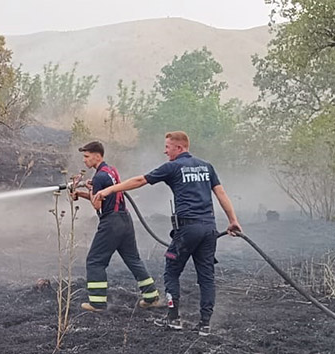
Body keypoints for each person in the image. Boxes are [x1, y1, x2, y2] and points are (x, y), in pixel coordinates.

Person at [92, 132, 242, 336]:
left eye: (168, 147)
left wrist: (108, 190)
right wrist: (233, 221)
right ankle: (205, 325)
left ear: (179, 148)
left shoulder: (173, 166)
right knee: (206, 277)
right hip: (209, 228)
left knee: (171, 272)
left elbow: (139, 180)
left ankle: (173, 319)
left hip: (187, 229)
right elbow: (221, 193)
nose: (165, 150)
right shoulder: (206, 166)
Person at [69, 141, 163, 313]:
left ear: (97, 156)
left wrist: (88, 191)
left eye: (86, 156)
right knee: (133, 259)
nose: (84, 160)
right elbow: (104, 197)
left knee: (95, 261)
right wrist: (82, 193)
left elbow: (97, 206)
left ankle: (97, 303)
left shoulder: (99, 177)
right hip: (124, 220)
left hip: (111, 222)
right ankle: (151, 297)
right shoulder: (110, 171)